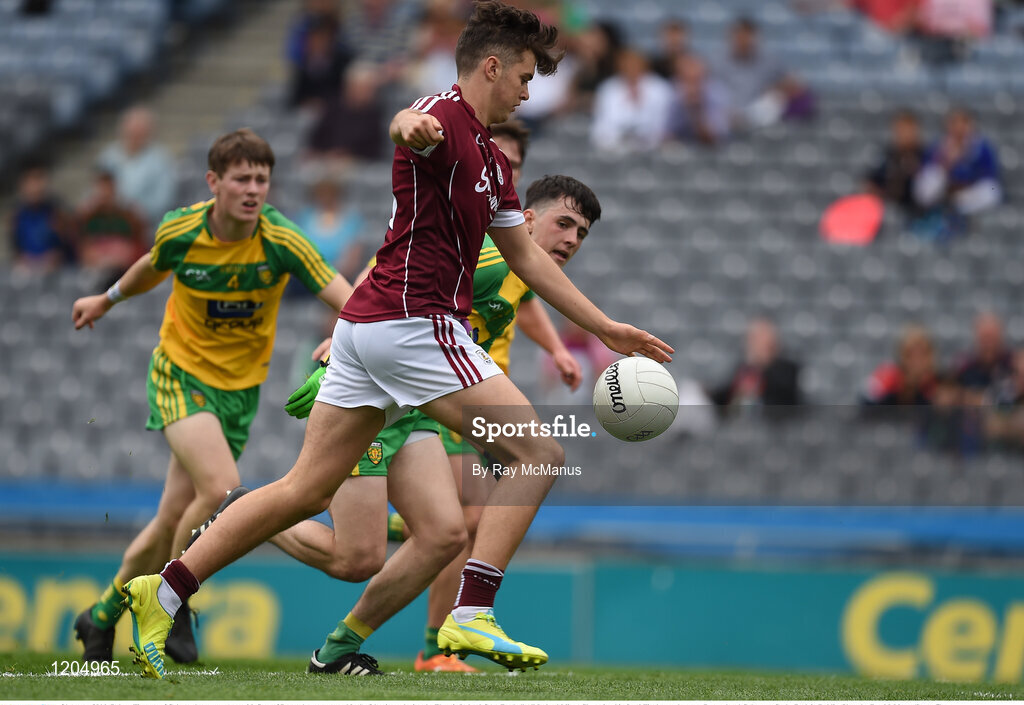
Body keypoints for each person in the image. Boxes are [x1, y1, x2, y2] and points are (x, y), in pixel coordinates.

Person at [123, 0, 671, 680]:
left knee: (303, 492)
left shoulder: (496, 166)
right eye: (525, 77)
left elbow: (527, 261)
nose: (530, 91)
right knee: (539, 450)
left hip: (368, 328)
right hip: (413, 322)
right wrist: (404, 123)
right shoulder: (441, 117)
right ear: (492, 66)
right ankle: (471, 608)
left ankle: (166, 587)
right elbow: (407, 125)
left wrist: (605, 327)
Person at [69, 129, 352, 666]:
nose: (253, 189)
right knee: (222, 489)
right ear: (213, 182)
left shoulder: (281, 239)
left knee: (171, 519)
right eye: (241, 179)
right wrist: (105, 300)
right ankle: (172, 603)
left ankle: (101, 616)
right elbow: (152, 265)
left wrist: (345, 328)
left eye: (261, 180)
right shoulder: (184, 229)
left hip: (239, 395)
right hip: (180, 376)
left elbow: (345, 293)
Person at [97, 107, 178, 230]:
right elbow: (96, 190)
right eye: (131, 131)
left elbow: (163, 201)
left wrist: (132, 209)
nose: (134, 136)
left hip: (145, 228)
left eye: (139, 132)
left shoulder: (161, 160)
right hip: (108, 224)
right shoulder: (108, 156)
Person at [590, 47, 673, 152]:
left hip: (652, 148)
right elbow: (601, 125)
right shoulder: (608, 88)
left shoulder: (660, 89)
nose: (631, 68)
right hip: (615, 149)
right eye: (627, 64)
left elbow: (663, 123)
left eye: (635, 64)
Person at [709, 317, 801, 412]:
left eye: (759, 337)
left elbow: (782, 396)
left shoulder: (787, 369)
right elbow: (727, 393)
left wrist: (760, 364)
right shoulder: (743, 368)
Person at [74, 170, 148, 289]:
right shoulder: (88, 217)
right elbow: (84, 249)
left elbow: (138, 248)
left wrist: (119, 255)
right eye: (101, 190)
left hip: (125, 273)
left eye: (108, 189)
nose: (104, 195)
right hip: (96, 272)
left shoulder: (129, 216)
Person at [9, 161, 72, 273]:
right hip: (29, 270)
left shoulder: (57, 211)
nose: (36, 186)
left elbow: (67, 249)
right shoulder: (17, 215)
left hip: (57, 271)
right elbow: (18, 252)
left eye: (39, 179)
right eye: (31, 181)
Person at [865, 109, 926, 216]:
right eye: (900, 130)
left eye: (908, 129)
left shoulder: (926, 156)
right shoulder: (886, 156)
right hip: (889, 211)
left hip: (920, 213)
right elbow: (871, 184)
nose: (904, 135)